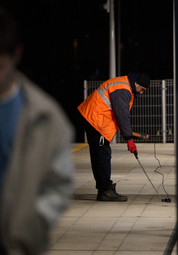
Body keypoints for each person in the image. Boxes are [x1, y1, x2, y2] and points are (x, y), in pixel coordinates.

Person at [0, 7, 74, 255]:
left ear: (16, 54)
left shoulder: (46, 118)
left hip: (20, 246)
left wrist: (31, 224)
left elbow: (59, 184)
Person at [77, 72, 150, 202]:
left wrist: (129, 134)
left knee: (99, 154)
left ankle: (104, 187)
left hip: (93, 117)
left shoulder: (123, 84)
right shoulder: (123, 90)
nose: (142, 93)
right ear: (136, 83)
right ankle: (105, 191)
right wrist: (129, 139)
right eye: (142, 89)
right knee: (102, 155)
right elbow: (122, 116)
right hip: (96, 120)